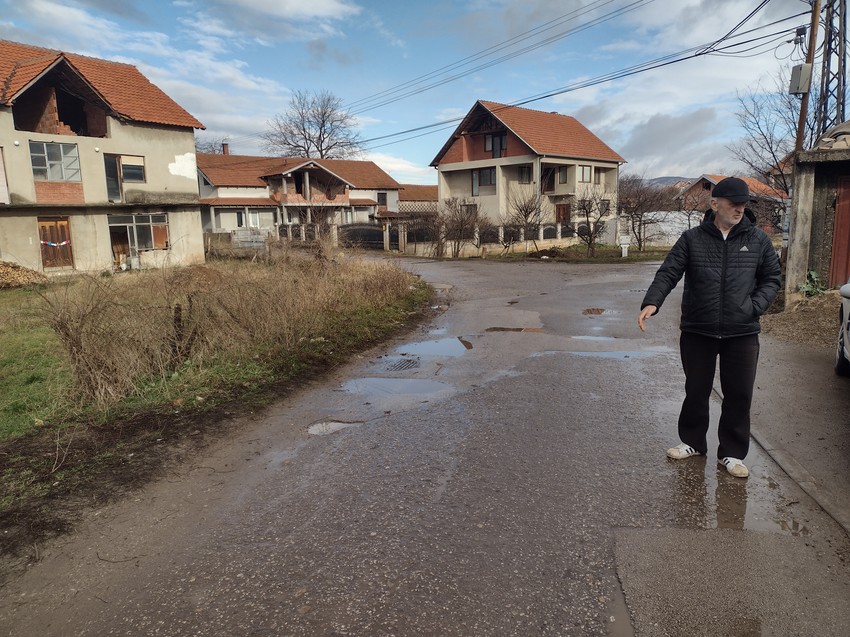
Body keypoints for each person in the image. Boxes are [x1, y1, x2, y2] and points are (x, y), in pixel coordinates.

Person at [637, 177, 782, 478]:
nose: (740, 209)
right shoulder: (692, 239)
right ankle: (692, 442)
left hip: (741, 333)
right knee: (696, 390)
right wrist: (652, 302)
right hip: (698, 330)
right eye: (733, 203)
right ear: (715, 204)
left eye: (744, 204)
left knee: (739, 394)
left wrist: (753, 308)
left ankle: (731, 453)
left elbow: (772, 279)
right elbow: (668, 272)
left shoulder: (757, 240)